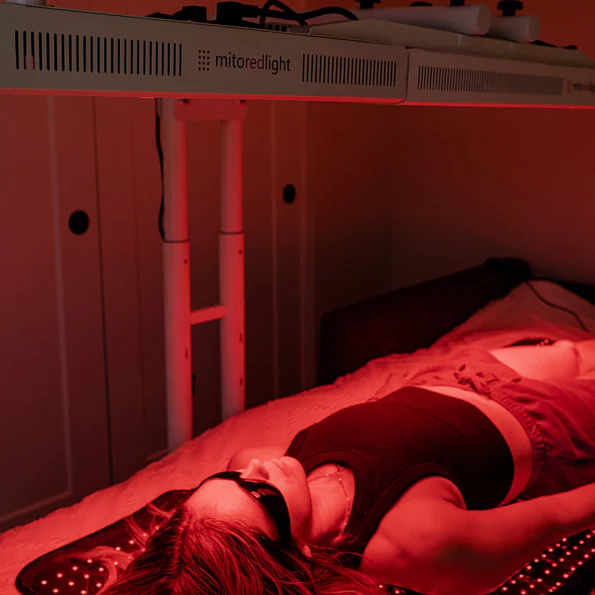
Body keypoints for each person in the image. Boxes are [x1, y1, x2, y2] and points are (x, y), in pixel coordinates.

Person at [98, 339, 595, 595]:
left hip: (450, 379)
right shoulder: (411, 542)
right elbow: (559, 516)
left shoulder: (258, 471)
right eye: (260, 495)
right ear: (296, 554)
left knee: (572, 349)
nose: (258, 469)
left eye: (227, 480)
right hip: (542, 425)